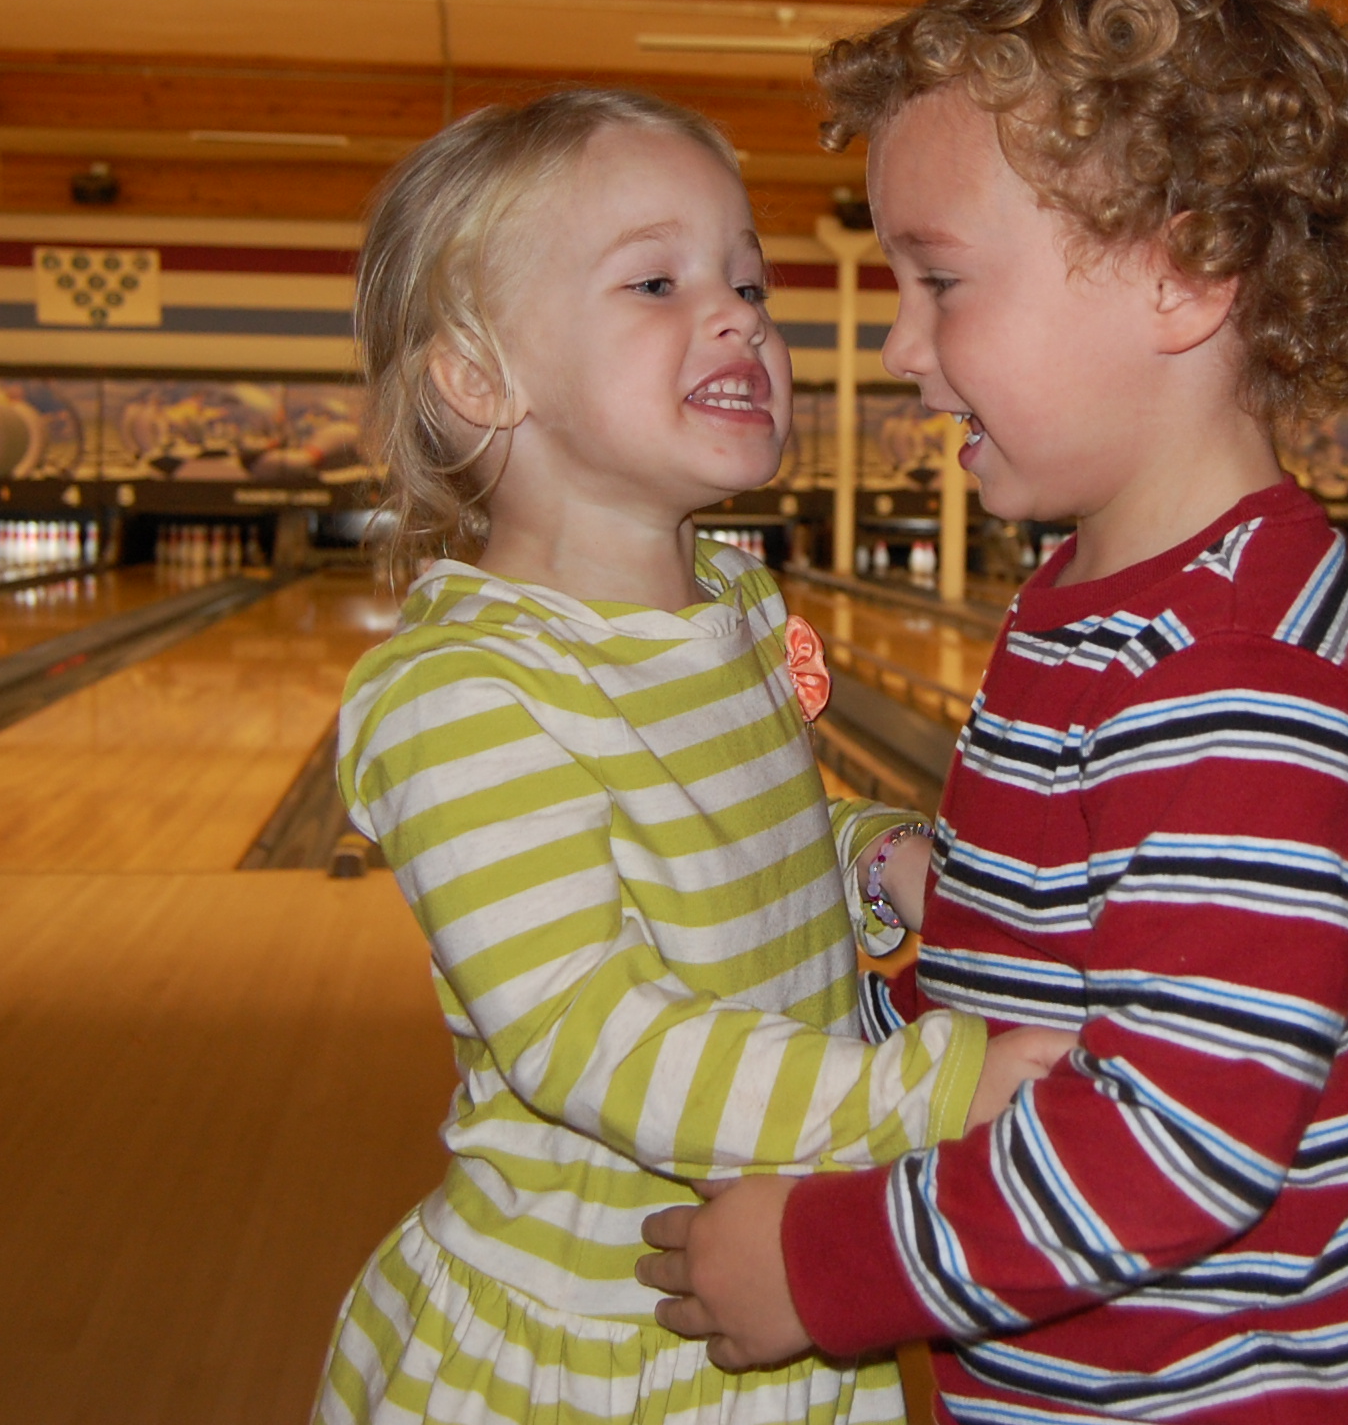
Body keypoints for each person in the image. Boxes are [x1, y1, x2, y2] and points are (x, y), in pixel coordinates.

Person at [638, 0, 1348, 1424]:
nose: (897, 344)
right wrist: (891, 985)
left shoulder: (1235, 672)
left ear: (1184, 275)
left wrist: (826, 1265)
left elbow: (1174, 1139)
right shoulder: (1090, 597)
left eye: (939, 280)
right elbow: (1059, 978)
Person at [313, 87, 1065, 1425]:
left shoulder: (735, 604)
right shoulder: (464, 695)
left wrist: (868, 855)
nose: (739, 317)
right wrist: (932, 1093)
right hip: (601, 1343)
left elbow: (732, 857)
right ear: (479, 378)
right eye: (656, 281)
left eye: (748, 281)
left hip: (768, 1279)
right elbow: (587, 1034)